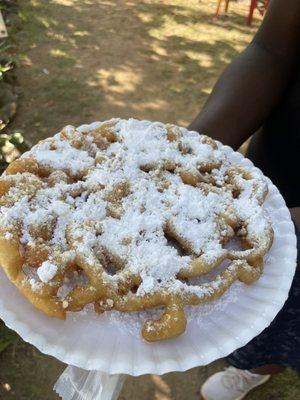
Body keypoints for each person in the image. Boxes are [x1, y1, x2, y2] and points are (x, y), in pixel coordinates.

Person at [188, 1, 300, 399]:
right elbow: (274, 50)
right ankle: (252, 364)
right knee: (260, 298)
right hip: (276, 173)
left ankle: (269, 364)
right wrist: (191, 156)